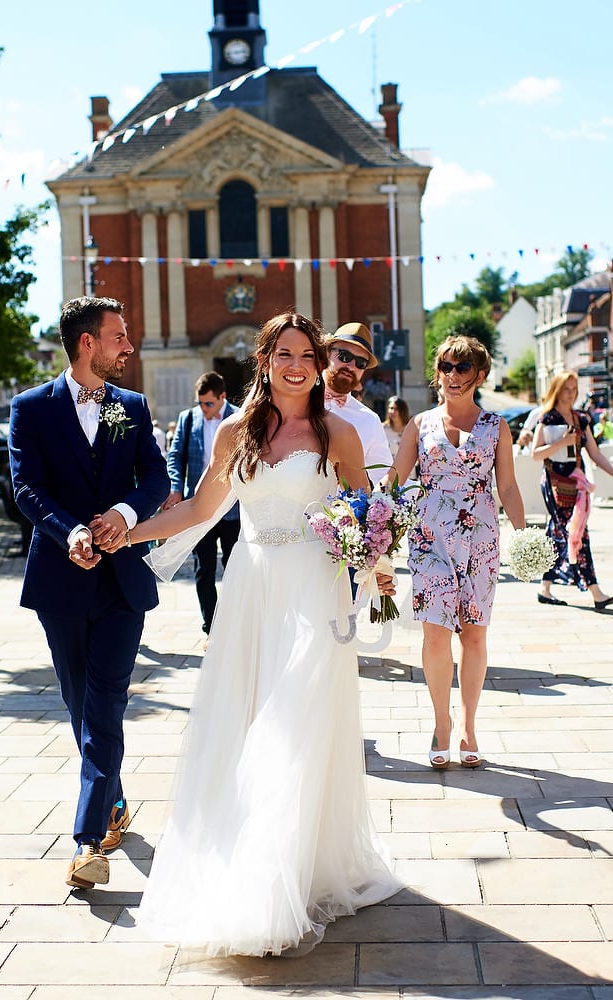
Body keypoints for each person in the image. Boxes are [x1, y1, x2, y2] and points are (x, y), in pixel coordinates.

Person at [127, 311, 401, 957]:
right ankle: (252, 869)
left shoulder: (338, 434)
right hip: (251, 589)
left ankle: (277, 882)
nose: (297, 364)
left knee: (294, 724)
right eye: (284, 353)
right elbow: (198, 510)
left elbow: (366, 513)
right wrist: (126, 535)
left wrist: (379, 569)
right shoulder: (234, 431)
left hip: (313, 587)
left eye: (307, 353)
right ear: (265, 360)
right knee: (247, 719)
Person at [6, 296, 170, 890]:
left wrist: (125, 514)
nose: (128, 347)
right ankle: (114, 800)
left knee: (106, 704)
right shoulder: (31, 408)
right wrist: (70, 530)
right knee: (80, 705)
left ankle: (84, 841)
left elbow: (156, 477)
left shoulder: (132, 407)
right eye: (118, 337)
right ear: (87, 344)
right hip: (60, 580)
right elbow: (26, 487)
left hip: (122, 583)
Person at [387, 336, 526, 770]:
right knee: (434, 635)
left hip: (481, 539)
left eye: (462, 368)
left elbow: (506, 486)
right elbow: (395, 478)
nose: (452, 375)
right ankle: (440, 723)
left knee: (475, 634)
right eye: (445, 366)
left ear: (479, 375)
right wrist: (369, 518)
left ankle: (469, 724)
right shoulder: (420, 425)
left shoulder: (496, 427)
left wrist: (524, 537)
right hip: (430, 539)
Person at [532, 371, 613, 610]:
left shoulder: (580, 419)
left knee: (558, 533)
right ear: (557, 389)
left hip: (577, 483)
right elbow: (536, 454)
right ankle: (595, 591)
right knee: (577, 533)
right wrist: (560, 443)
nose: (571, 394)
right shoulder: (547, 417)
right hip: (555, 482)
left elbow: (595, 454)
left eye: (574, 389)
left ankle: (545, 587)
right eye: (566, 389)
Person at [164, 371, 242, 636]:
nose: (203, 409)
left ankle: (233, 624)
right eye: (200, 403)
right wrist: (175, 488)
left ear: (222, 397)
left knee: (235, 570)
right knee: (204, 570)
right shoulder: (188, 419)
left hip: (234, 509)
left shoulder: (240, 417)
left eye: (208, 403)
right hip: (200, 509)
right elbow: (175, 456)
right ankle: (212, 628)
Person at [323, 322, 392, 484]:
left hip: (344, 508)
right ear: (327, 354)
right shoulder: (297, 401)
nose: (351, 366)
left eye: (361, 363)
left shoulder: (370, 420)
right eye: (344, 356)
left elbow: (383, 476)